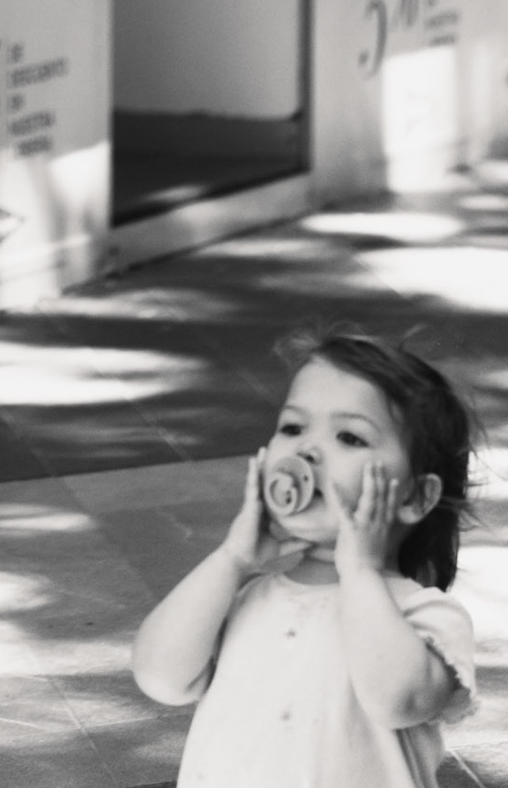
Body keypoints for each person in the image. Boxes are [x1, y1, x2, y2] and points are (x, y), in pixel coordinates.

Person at [132, 330, 478, 787]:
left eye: (350, 437)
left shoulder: (426, 617)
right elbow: (160, 677)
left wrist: (359, 570)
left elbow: (397, 699)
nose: (306, 450)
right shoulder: (244, 602)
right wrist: (231, 558)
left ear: (415, 496)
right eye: (293, 427)